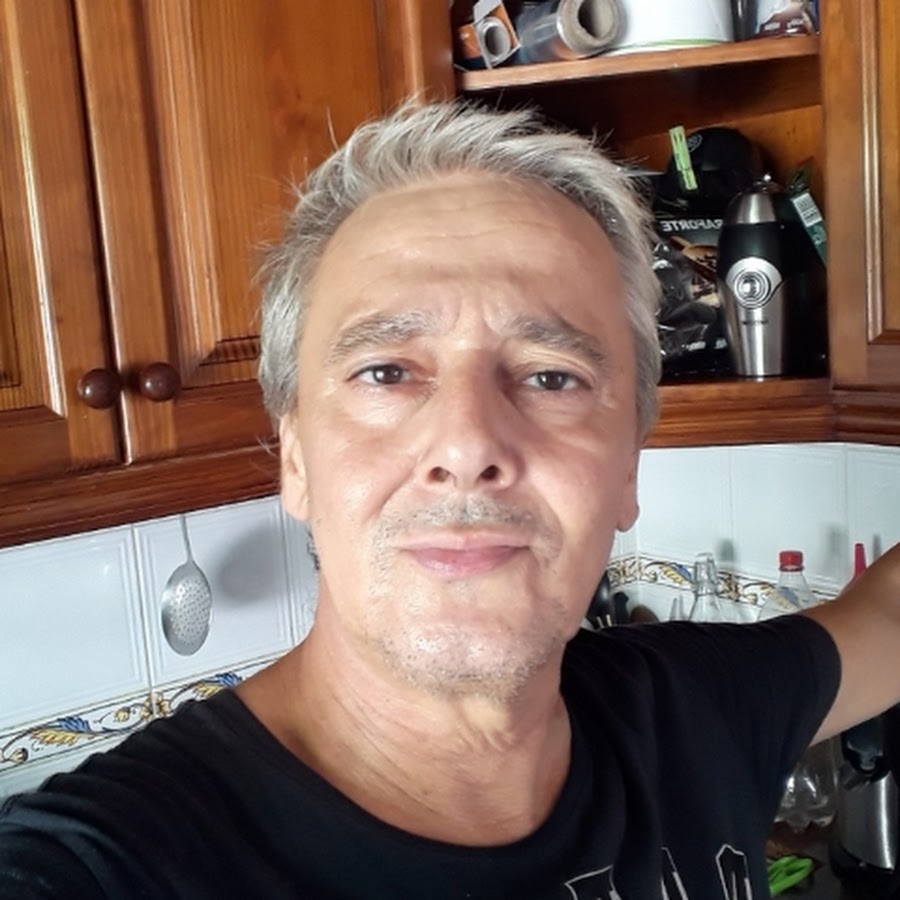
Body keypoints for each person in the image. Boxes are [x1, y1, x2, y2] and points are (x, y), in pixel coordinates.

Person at [1, 99, 899, 900]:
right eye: (386, 372)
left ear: (629, 466)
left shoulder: (692, 716)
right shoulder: (112, 860)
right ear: (297, 457)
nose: (467, 447)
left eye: (551, 376)